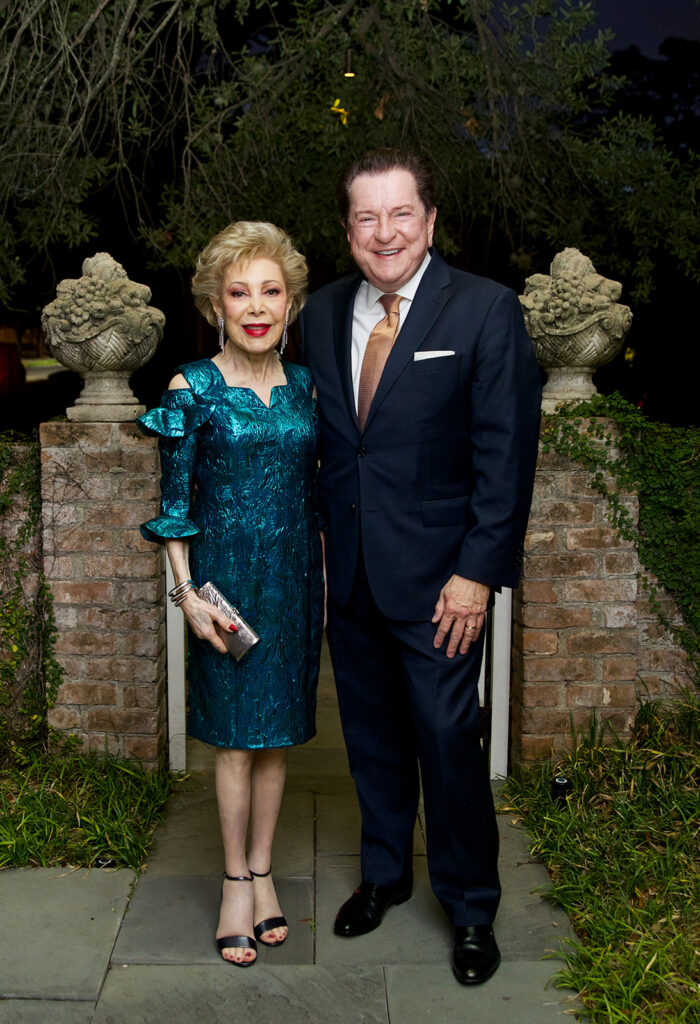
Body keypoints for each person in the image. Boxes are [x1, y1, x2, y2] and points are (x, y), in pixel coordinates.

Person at [299, 149, 542, 986]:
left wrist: (478, 573)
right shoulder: (323, 313)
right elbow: (326, 445)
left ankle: (472, 905)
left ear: (430, 221)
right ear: (349, 230)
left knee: (446, 739)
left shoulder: (484, 311)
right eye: (366, 218)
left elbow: (505, 457)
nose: (384, 232)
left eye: (400, 214)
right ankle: (385, 873)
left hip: (443, 583)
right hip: (352, 573)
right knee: (367, 738)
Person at [138, 222, 324, 968]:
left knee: (276, 739)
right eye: (239, 291)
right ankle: (233, 884)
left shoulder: (307, 387)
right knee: (233, 743)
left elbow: (317, 496)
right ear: (217, 302)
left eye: (270, 291)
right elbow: (173, 504)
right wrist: (185, 596)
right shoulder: (193, 386)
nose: (256, 306)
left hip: (292, 588)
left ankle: (266, 869)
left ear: (291, 304)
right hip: (222, 592)